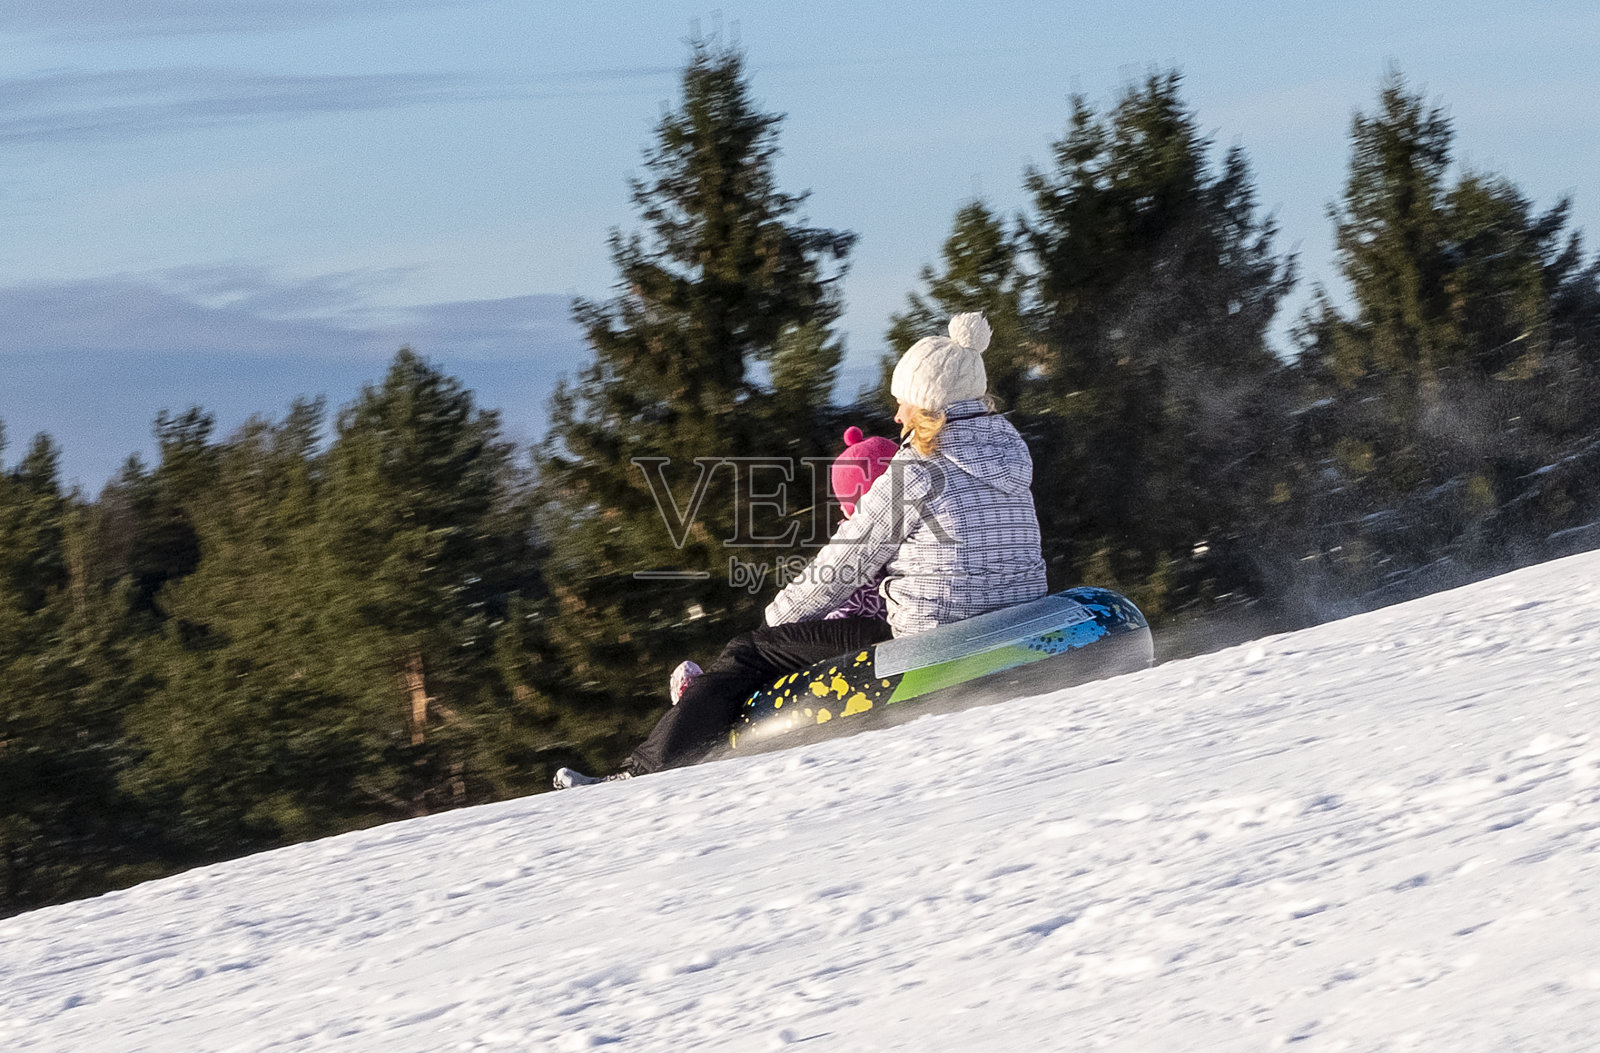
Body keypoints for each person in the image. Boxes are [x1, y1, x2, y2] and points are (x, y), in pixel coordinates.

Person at [553, 311, 1047, 788]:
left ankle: (644, 769)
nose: (897, 415)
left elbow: (841, 567)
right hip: (1014, 615)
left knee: (747, 652)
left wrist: (776, 623)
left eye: (904, 403)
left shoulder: (914, 473)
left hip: (932, 635)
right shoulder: (1010, 457)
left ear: (929, 406)